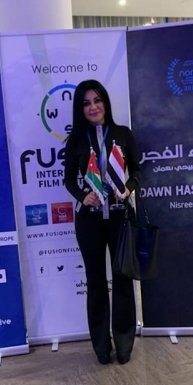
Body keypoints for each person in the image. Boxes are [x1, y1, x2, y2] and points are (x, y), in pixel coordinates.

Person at [64, 80, 141, 365]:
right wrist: (83, 196)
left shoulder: (123, 134)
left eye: (97, 100)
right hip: (90, 222)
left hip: (121, 218)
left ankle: (124, 343)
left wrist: (128, 189)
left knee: (123, 280)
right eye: (86, 103)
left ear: (105, 102)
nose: (93, 107)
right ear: (80, 109)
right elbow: (68, 180)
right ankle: (100, 346)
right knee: (95, 283)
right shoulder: (75, 141)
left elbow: (138, 172)